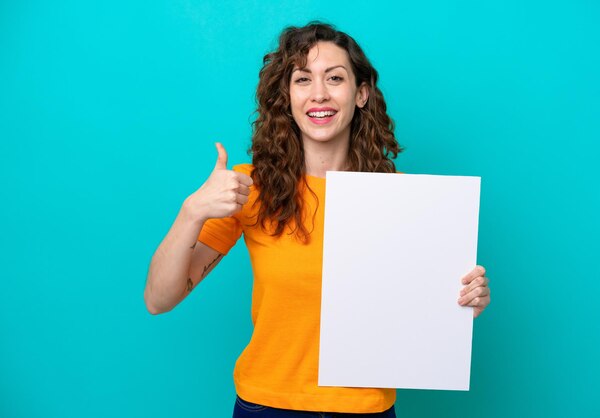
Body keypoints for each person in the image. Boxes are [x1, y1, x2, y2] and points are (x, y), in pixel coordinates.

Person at [144, 21, 491, 417]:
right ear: (287, 96)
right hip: (267, 406)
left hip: (365, 409)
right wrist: (193, 211)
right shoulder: (249, 187)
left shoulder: (404, 197)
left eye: (335, 78)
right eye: (303, 79)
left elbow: (418, 306)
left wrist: (463, 299)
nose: (319, 94)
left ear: (361, 94)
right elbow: (159, 299)